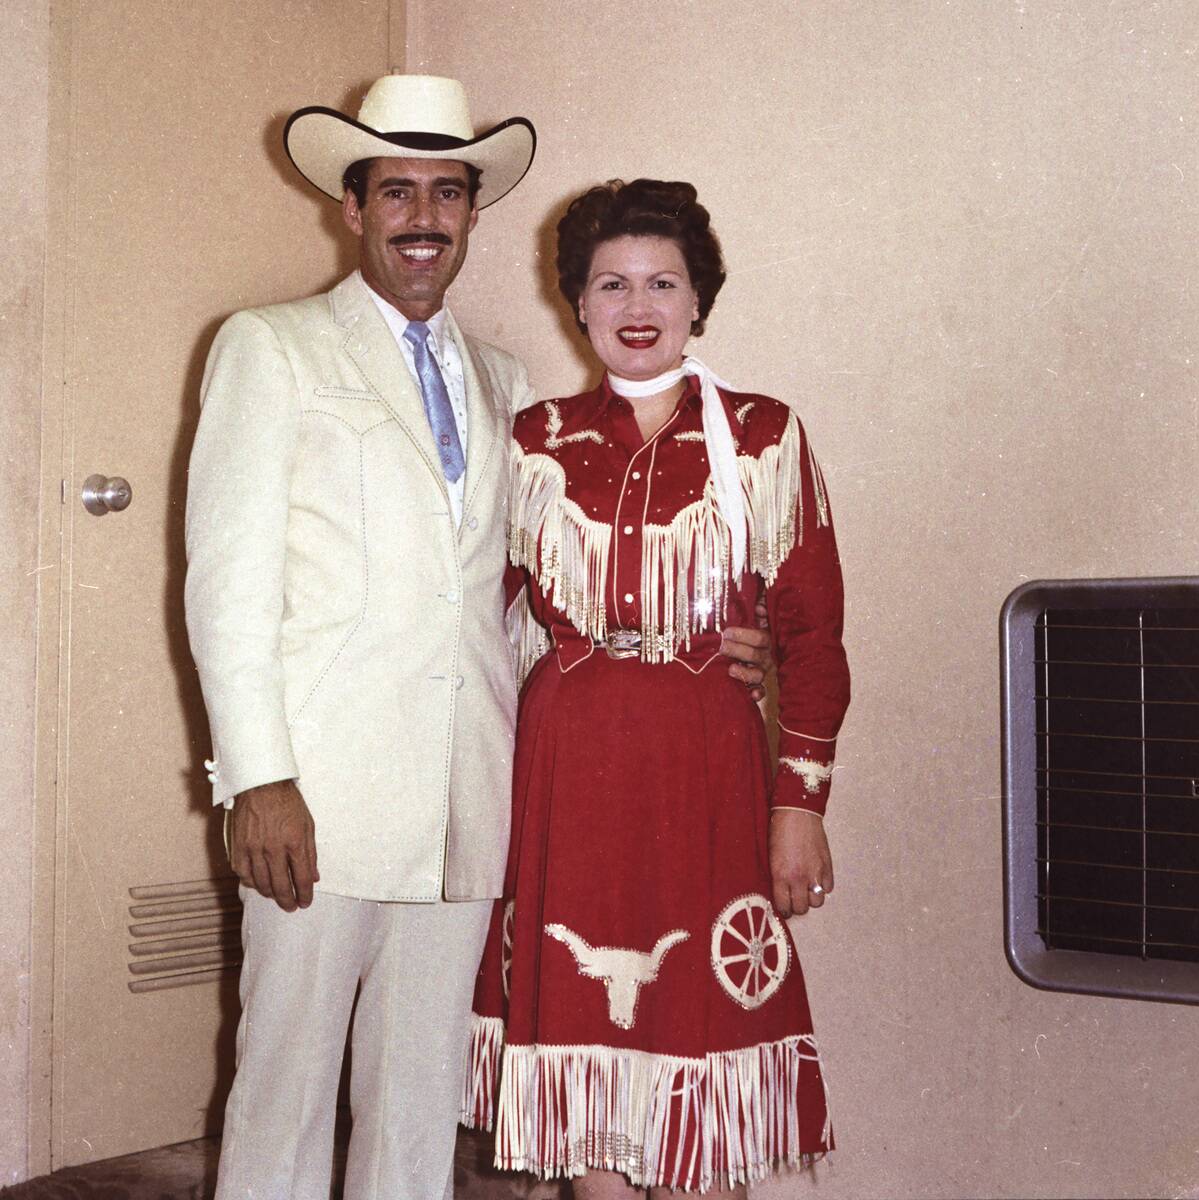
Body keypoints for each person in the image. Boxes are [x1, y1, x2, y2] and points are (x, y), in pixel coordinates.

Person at [185, 78, 772, 1200]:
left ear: (471, 214)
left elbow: (528, 601)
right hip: (319, 796)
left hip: (468, 799)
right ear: (350, 209)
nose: (423, 214)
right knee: (284, 1089)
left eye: (447, 192)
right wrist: (258, 777)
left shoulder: (508, 388)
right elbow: (226, 586)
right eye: (395, 189)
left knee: (420, 1099)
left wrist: (709, 641)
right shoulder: (273, 348)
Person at [462, 179, 851, 1198]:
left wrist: (798, 807)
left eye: (662, 283)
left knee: (700, 1072)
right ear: (577, 305)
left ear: (697, 302)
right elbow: (471, 620)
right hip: (567, 770)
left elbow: (813, 641)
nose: (638, 307)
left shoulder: (766, 436)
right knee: (590, 1088)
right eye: (612, 284)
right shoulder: (532, 441)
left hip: (705, 767)